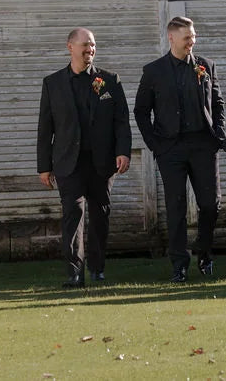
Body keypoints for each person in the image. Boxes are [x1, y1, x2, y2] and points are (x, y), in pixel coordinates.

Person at [135, 16, 226, 282]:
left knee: (211, 205)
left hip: (203, 145)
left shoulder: (205, 66)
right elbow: (141, 111)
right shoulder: (153, 71)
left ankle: (205, 253)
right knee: (175, 207)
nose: (192, 42)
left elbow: (218, 103)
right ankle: (179, 263)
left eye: (194, 37)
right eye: (187, 37)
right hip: (171, 148)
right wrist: (156, 145)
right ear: (171, 38)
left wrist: (218, 132)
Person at [36, 28, 131, 288]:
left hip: (102, 162)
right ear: (70, 47)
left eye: (93, 45)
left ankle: (97, 267)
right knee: (72, 214)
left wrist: (123, 151)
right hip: (68, 161)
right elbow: (45, 128)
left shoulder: (110, 81)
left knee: (100, 215)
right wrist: (44, 166)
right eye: (85, 45)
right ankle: (74, 272)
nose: (90, 49)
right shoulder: (52, 83)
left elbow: (122, 120)